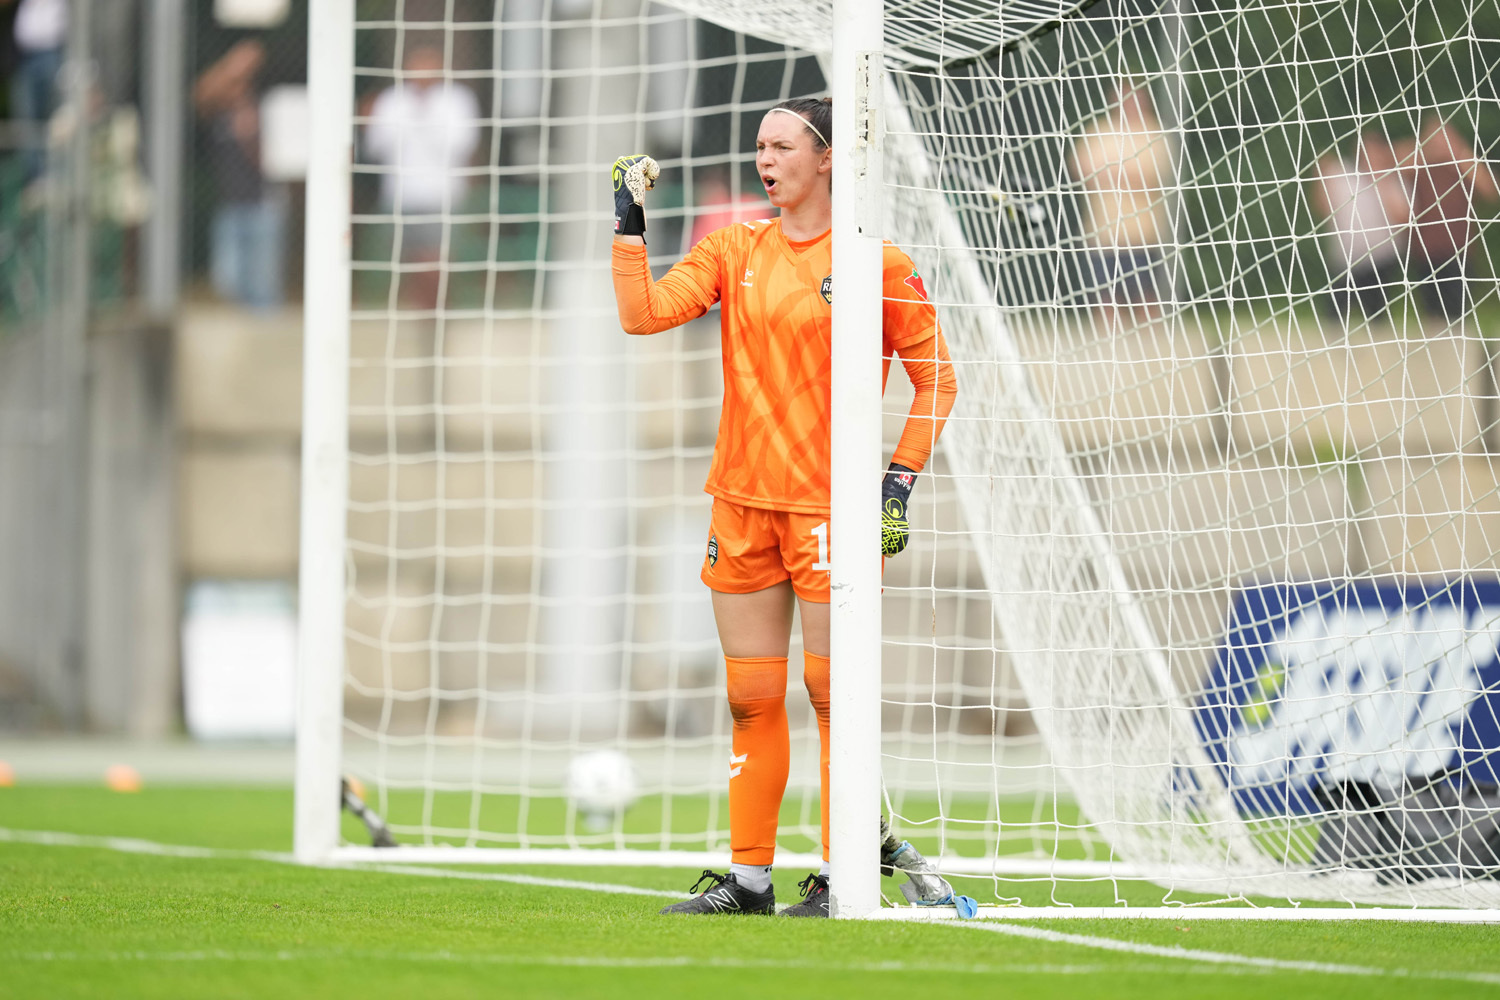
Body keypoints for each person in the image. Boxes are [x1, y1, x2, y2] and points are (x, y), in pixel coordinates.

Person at [610, 98, 958, 917]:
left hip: (830, 514)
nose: (766, 160)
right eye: (759, 147)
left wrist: (896, 483)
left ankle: (844, 878)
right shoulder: (735, 249)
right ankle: (749, 882)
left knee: (835, 697)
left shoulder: (877, 262)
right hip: (741, 506)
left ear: (828, 158)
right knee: (751, 701)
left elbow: (938, 376)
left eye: (783, 146)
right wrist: (630, 223)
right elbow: (642, 315)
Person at [363, 45, 481, 309]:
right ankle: (417, 311)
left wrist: (425, 118)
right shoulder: (391, 100)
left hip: (442, 194)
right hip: (401, 194)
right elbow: (375, 145)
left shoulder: (456, 100)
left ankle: (437, 313)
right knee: (407, 259)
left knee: (437, 259)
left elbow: (463, 144)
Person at [1069, 80, 1173, 323]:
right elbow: (1081, 169)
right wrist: (1124, 173)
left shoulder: (1154, 133)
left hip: (1143, 233)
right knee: (1106, 294)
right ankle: (1109, 346)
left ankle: (1151, 345)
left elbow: (1155, 172)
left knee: (1145, 293)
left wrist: (1113, 172)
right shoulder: (1098, 131)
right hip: (1104, 231)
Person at [193, 39, 284, 311]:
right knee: (228, 278)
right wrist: (232, 65)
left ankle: (266, 338)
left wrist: (250, 138)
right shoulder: (218, 113)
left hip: (262, 204)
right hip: (231, 205)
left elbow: (273, 164)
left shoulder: (264, 109)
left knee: (262, 283)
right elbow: (200, 93)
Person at [1404, 114, 1498, 323]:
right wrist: (1425, 150)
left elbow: (1491, 190)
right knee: (1431, 315)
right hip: (1426, 251)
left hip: (1459, 250)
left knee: (1458, 314)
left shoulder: (1463, 164)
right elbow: (1390, 164)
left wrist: (1458, 152)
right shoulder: (1419, 165)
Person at [1310, 130, 1408, 323]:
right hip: (1345, 260)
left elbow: (1404, 218)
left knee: (1376, 317)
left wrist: (1381, 180)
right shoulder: (1343, 176)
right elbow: (1322, 208)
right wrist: (1320, 178)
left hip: (1381, 260)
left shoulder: (1394, 179)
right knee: (1335, 316)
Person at [3, 0, 66, 181]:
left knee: (56, 119)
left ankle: (55, 178)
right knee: (26, 120)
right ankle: (35, 179)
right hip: (24, 56)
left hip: (54, 50)